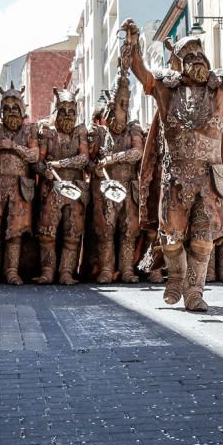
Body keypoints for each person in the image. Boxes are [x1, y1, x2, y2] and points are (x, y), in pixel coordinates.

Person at [122, 4, 223, 312]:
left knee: (202, 236)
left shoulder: (221, 89)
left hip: (209, 179)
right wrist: (133, 44)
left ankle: (195, 291)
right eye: (189, 55)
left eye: (200, 54)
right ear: (179, 64)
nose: (196, 59)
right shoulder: (167, 91)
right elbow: (141, 73)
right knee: (171, 236)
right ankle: (177, 276)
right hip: (176, 178)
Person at [89, 66, 144, 284]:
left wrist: (113, 159)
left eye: (126, 104)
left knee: (129, 230)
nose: (124, 109)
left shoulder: (133, 129)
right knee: (106, 230)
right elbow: (90, 160)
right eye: (120, 105)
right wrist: (97, 166)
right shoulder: (99, 133)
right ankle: (106, 269)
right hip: (107, 188)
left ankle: (127, 269)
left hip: (129, 186)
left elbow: (137, 152)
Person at [0, 85, 38, 285]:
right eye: (7, 107)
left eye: (16, 107)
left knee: (16, 231)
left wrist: (13, 146)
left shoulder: (30, 130)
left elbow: (34, 155)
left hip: (20, 186)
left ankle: (12, 271)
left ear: (22, 109)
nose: (12, 111)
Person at [37, 89, 90, 285]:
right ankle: (48, 271)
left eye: (71, 111)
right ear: (56, 112)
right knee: (47, 233)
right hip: (52, 190)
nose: (67, 115)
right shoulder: (48, 134)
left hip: (75, 189)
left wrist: (59, 164)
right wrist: (45, 171)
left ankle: (66, 272)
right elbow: (39, 161)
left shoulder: (80, 133)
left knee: (72, 233)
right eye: (63, 111)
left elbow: (83, 158)